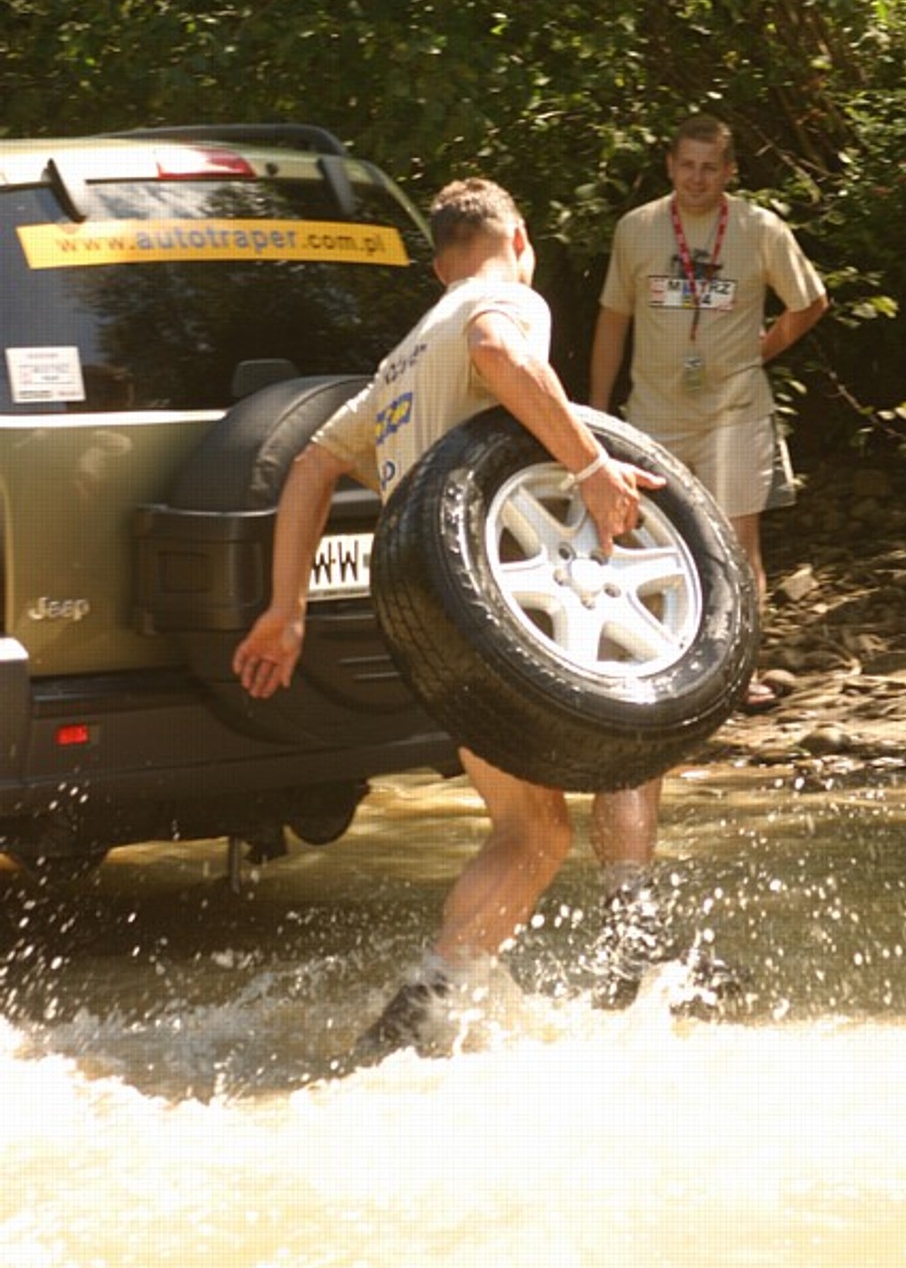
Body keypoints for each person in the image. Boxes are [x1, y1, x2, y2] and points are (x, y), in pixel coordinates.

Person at [232, 178, 713, 1065]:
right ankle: (628, 937)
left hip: (438, 632)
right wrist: (594, 465)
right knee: (627, 727)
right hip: (498, 616)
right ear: (519, 238)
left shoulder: (406, 355)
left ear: (435, 265)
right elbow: (499, 350)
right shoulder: (502, 299)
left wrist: (285, 610)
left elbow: (309, 465)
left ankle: (426, 1007)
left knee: (528, 830)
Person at [588, 112, 829, 710]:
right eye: (686, 166)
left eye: (709, 168)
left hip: (735, 412)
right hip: (653, 414)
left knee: (739, 543)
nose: (697, 179)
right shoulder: (637, 229)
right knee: (642, 540)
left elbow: (811, 301)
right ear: (670, 166)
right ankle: (650, 666)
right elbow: (613, 319)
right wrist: (596, 410)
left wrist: (762, 350)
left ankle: (737, 672)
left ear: (729, 171)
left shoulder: (759, 228)